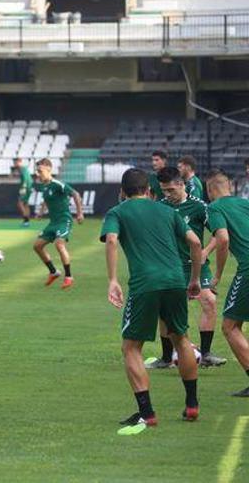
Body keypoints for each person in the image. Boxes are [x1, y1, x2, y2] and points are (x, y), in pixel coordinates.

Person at [102, 168, 201, 435]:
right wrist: (194, 278)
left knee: (131, 347)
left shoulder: (118, 212)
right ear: (149, 190)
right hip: (175, 281)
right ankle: (192, 404)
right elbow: (194, 241)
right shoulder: (168, 211)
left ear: (123, 192)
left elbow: (111, 240)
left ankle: (147, 413)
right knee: (181, 338)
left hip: (145, 284)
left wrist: (113, 280)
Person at [146, 167, 227, 369]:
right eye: (164, 190)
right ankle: (166, 358)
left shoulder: (200, 207)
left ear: (182, 184)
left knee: (209, 301)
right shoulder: (161, 207)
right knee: (166, 313)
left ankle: (205, 354)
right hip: (171, 267)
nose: (167, 195)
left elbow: (219, 234)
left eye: (171, 190)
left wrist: (206, 251)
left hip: (197, 266)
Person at [206, 170, 249, 397]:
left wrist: (217, 276)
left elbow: (222, 239)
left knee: (229, 326)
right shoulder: (244, 204)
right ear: (229, 186)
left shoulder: (214, 208)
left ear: (210, 190)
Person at [32, 158, 83, 289]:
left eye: (40, 171)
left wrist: (80, 213)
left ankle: (68, 276)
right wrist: (40, 213)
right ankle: (54, 272)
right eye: (37, 171)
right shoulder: (45, 187)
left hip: (64, 221)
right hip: (53, 223)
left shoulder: (57, 184)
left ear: (49, 169)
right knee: (37, 246)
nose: (38, 173)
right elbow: (45, 201)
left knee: (59, 244)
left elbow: (75, 194)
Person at [14, 157, 32, 227]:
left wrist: (23, 187)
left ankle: (26, 220)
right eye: (14, 162)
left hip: (25, 188)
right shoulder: (24, 169)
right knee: (25, 204)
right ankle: (27, 222)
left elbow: (25, 178)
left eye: (16, 162)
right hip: (29, 187)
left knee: (20, 203)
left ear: (20, 162)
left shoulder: (22, 169)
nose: (15, 163)